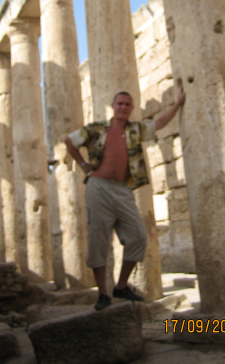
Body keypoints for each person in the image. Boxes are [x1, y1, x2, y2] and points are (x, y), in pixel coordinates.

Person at [64, 86, 186, 311]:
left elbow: (159, 123)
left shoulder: (135, 130)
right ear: (113, 106)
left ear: (131, 108)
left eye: (127, 104)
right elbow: (69, 140)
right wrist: (83, 164)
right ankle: (103, 293)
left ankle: (121, 286)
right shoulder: (96, 129)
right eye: (120, 103)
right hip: (98, 188)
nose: (123, 107)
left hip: (123, 189)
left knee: (138, 236)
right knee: (98, 240)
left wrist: (178, 103)